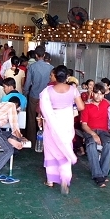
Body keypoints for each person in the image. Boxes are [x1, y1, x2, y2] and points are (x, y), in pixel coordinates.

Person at [39, 64, 85, 194]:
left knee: (51, 150)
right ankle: (65, 179)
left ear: (55, 76)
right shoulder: (73, 89)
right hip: (66, 122)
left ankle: (50, 180)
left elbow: (43, 109)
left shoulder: (47, 91)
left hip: (51, 123)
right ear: (67, 77)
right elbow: (81, 107)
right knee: (65, 149)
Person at [79, 82, 110, 187]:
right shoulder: (87, 106)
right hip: (90, 130)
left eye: (101, 94)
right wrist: (93, 134)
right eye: (96, 93)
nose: (99, 96)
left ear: (104, 95)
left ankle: (103, 173)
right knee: (91, 145)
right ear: (92, 93)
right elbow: (84, 125)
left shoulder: (107, 104)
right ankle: (98, 175)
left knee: (109, 144)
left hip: (104, 131)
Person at [23, 45, 53, 144]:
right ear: (44, 55)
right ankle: (46, 139)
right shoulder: (51, 68)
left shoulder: (32, 67)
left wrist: (25, 92)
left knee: (31, 117)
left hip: (34, 95)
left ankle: (31, 139)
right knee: (46, 118)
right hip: (46, 97)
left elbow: (27, 82)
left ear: (36, 55)